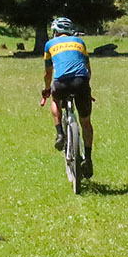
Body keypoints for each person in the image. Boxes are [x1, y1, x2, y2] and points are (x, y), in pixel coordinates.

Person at [41, 16, 93, 180]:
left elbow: (48, 72)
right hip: (81, 82)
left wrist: (47, 89)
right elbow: (88, 69)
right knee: (86, 122)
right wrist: (86, 88)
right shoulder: (80, 42)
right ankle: (89, 159)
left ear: (55, 31)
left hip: (61, 83)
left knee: (55, 100)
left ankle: (60, 134)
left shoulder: (49, 45)